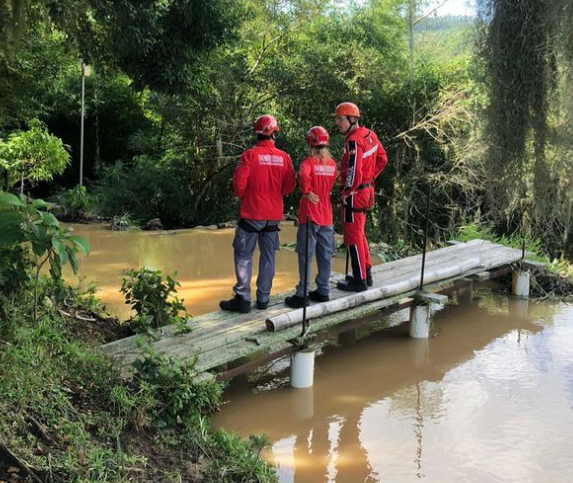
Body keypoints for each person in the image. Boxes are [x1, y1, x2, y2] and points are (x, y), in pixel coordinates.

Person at [220, 114, 296, 313]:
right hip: (273, 216)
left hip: (252, 213)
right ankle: (263, 299)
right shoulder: (284, 157)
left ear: (257, 134)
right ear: (274, 134)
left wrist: (247, 195)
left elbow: (238, 186)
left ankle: (243, 299)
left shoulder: (249, 155)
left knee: (244, 254)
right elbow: (289, 186)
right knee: (268, 256)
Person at [334, 102, 388, 292]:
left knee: (353, 235)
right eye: (337, 119)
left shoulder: (353, 140)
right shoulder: (370, 135)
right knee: (360, 233)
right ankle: (366, 274)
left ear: (353, 119)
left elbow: (353, 169)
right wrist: (369, 178)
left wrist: (348, 190)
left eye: (340, 119)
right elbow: (382, 159)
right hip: (367, 191)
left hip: (355, 194)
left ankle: (359, 281)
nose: (337, 123)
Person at [285, 126, 337, 308]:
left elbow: (303, 175)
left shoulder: (308, 163)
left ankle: (302, 293)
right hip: (327, 214)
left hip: (310, 213)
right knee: (325, 254)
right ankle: (323, 290)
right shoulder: (332, 164)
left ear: (310, 143)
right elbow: (331, 184)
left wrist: (306, 191)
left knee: (305, 254)